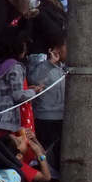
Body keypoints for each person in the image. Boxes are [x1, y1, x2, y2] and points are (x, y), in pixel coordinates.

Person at [0, 35, 41, 136]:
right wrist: (34, 91)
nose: (25, 51)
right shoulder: (15, 66)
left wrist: (26, 89)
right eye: (23, 47)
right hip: (10, 120)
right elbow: (18, 96)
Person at [28, 30, 67, 159]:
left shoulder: (63, 68)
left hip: (61, 118)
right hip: (46, 119)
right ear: (56, 50)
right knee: (47, 152)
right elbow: (35, 79)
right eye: (67, 47)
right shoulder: (43, 66)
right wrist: (49, 63)